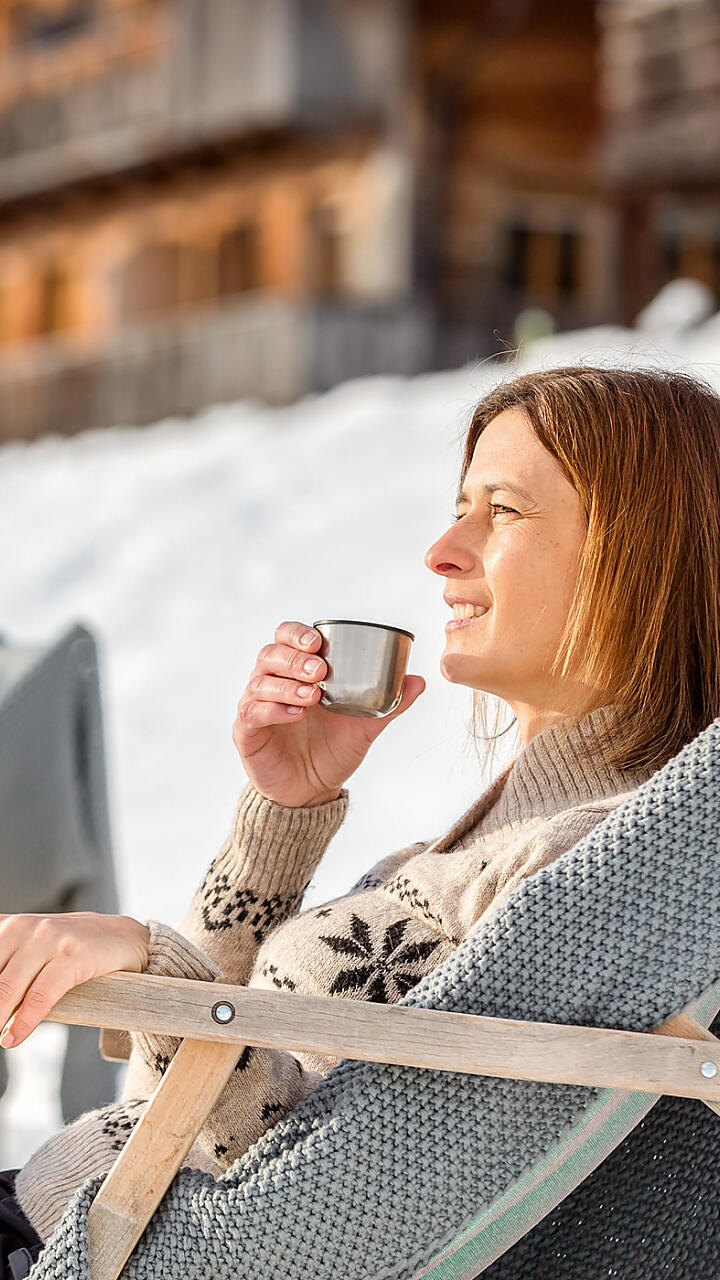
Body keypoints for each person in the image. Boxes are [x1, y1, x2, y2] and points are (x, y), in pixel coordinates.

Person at [2, 364, 719, 1264]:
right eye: (462, 505)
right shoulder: (482, 850)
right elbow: (175, 1100)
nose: (443, 549)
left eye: (503, 511)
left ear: (641, 552)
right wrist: (284, 806)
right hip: (68, 1214)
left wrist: (152, 962)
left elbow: (322, 1198)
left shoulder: (589, 866)